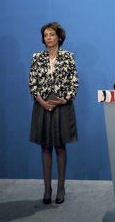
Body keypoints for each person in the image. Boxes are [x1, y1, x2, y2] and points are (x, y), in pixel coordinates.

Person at [29, 22, 79, 205]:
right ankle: (47, 188)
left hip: (62, 106)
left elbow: (74, 82)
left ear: (59, 37)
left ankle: (61, 188)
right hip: (42, 105)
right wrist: (41, 101)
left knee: (59, 146)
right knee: (45, 147)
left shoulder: (68, 57)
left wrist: (64, 99)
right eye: (45, 35)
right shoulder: (37, 57)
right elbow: (32, 82)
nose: (48, 38)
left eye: (51, 34)